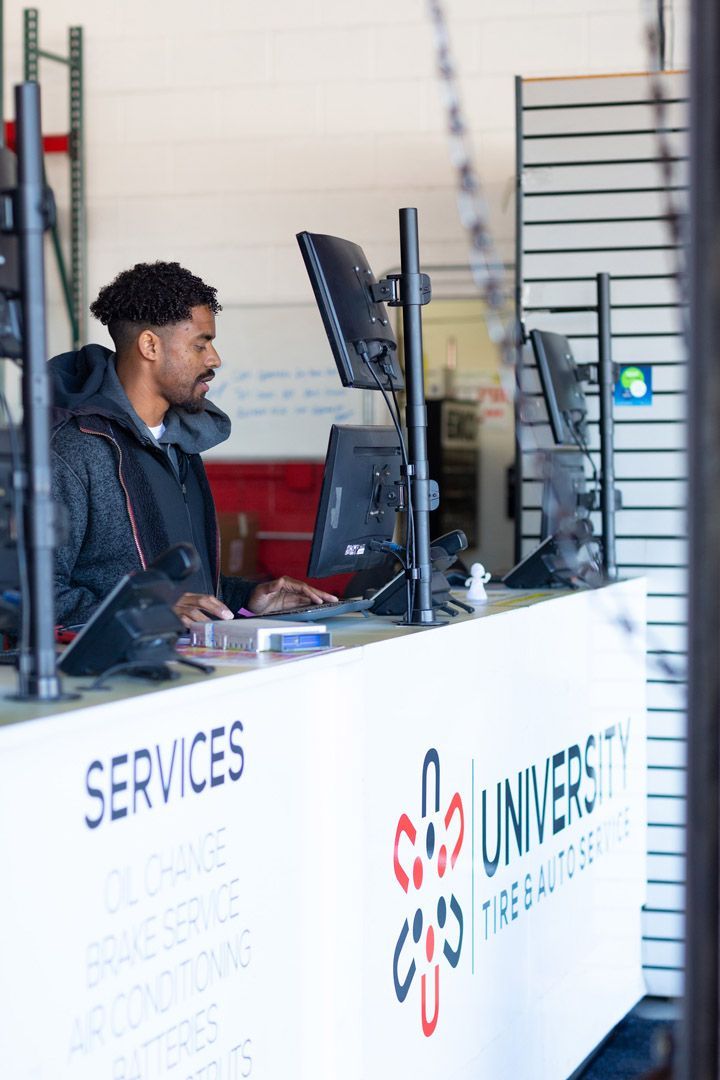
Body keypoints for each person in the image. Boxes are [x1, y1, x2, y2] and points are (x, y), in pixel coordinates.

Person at [50, 260, 336, 628]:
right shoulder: (74, 448)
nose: (214, 359)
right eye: (201, 345)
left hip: (183, 667)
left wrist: (245, 598)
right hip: (109, 680)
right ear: (150, 345)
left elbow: (183, 595)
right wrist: (145, 614)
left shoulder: (177, 443)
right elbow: (29, 598)